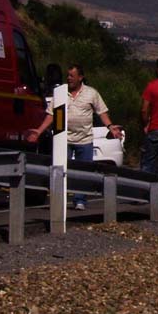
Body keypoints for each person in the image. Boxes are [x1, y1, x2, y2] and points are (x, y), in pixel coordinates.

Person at [25, 65, 122, 211]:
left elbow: (102, 112)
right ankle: (60, 200)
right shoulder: (60, 93)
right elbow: (51, 115)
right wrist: (38, 131)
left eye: (72, 75)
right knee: (62, 170)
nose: (69, 78)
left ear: (80, 77)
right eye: (68, 75)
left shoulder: (91, 93)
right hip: (64, 140)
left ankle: (80, 200)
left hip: (85, 140)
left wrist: (110, 126)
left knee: (83, 172)